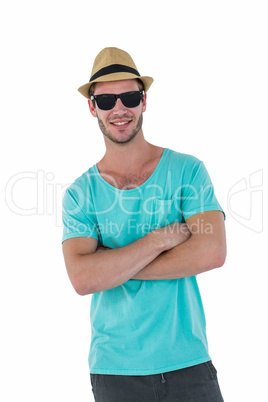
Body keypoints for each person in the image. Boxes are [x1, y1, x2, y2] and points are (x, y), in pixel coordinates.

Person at [62, 47, 226, 402]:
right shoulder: (80, 193)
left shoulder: (188, 171)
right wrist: (159, 239)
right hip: (115, 372)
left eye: (129, 97)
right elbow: (82, 278)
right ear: (92, 108)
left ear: (144, 101)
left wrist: (113, 264)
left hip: (188, 362)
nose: (119, 109)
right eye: (106, 101)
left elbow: (212, 252)